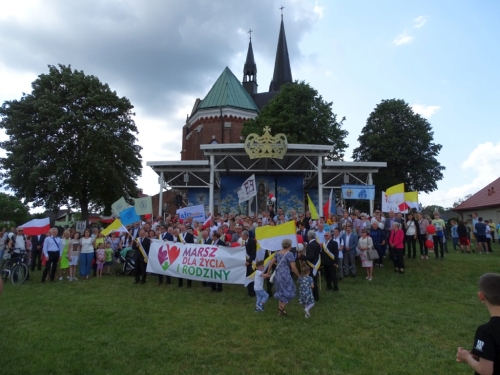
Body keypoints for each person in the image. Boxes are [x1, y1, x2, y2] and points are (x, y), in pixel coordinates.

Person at [456, 273, 500, 374]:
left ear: (481, 296)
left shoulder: (486, 331)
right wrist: (481, 355)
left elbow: (485, 371)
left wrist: (467, 357)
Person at [264, 239, 300, 316]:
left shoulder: (278, 252)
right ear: (289, 245)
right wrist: (299, 275)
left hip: (277, 275)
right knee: (290, 291)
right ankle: (281, 308)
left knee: (281, 292)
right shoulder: (289, 254)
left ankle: (280, 313)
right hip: (285, 275)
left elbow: (271, 263)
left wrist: (268, 272)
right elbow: (293, 268)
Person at [300, 230, 320, 301]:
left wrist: (302, 257)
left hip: (312, 265)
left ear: (308, 237)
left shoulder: (311, 245)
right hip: (315, 263)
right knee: (313, 281)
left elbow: (311, 256)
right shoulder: (316, 243)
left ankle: (315, 296)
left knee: (312, 281)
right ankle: (315, 296)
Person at [242, 230, 256, 297]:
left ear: (245, 235)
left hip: (251, 263)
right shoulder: (245, 242)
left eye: (242, 235)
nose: (241, 236)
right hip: (246, 263)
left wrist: (249, 261)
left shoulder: (252, 241)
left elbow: (253, 253)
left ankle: (252, 292)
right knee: (247, 276)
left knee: (251, 277)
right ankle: (249, 291)